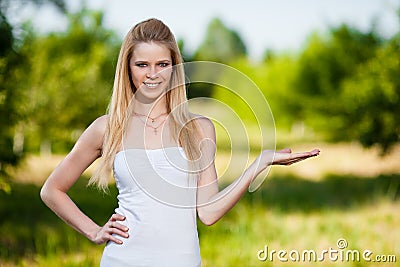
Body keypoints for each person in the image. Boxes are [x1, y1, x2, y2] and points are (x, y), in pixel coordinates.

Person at [40, 18, 320, 267]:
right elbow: (52, 190)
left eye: (162, 64)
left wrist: (258, 164)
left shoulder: (198, 128)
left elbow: (208, 212)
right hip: (122, 258)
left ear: (174, 67)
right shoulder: (107, 127)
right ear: (127, 68)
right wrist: (93, 230)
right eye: (142, 65)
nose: (153, 74)